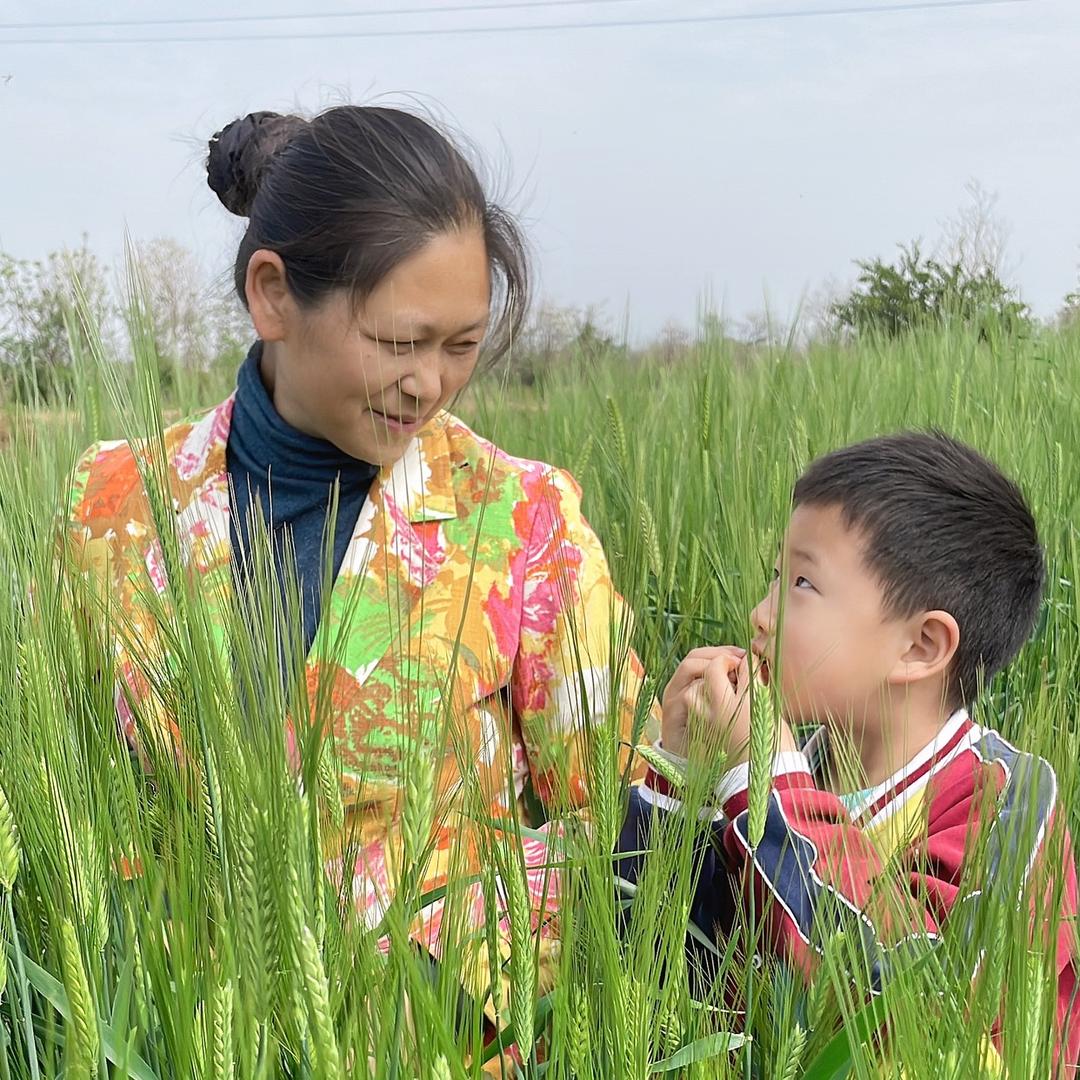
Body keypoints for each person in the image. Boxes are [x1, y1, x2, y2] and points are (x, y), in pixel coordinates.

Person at [63, 105, 649, 1025]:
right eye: (397, 342)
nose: (430, 384)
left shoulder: (524, 522)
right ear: (272, 295)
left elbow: (616, 826)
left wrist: (446, 991)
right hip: (170, 1033)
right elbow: (68, 793)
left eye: (461, 346)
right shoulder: (109, 509)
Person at [617, 431, 1080, 1069]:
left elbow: (903, 996)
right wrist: (681, 779)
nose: (759, 614)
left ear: (919, 647)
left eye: (802, 584)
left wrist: (769, 784)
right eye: (775, 575)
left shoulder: (1002, 803)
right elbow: (662, 966)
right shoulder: (792, 773)